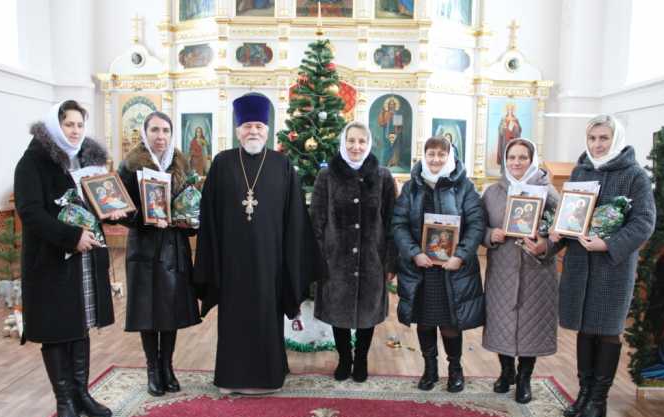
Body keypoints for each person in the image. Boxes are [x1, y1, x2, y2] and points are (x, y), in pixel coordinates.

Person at [194, 94, 320, 394]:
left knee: (266, 317)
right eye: (248, 126)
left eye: (259, 126)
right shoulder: (222, 163)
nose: (253, 131)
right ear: (238, 130)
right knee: (234, 319)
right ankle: (231, 377)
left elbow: (295, 219)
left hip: (270, 262)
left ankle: (269, 377)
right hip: (232, 261)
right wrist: (212, 260)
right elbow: (209, 215)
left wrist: (291, 262)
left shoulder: (282, 165)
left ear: (267, 130)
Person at [14, 100, 126, 417]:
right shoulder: (32, 162)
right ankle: (64, 402)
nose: (75, 131)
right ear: (54, 125)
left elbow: (95, 203)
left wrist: (111, 211)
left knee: (80, 327)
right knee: (56, 331)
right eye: (69, 124)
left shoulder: (86, 160)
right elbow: (30, 212)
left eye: (80, 125)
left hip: (85, 259)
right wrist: (70, 237)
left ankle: (81, 394)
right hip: (51, 262)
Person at [549, 115, 655, 417]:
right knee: (585, 328)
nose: (597, 144)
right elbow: (570, 215)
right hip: (580, 265)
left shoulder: (635, 175)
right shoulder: (581, 171)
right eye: (593, 138)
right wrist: (557, 233)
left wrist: (609, 244)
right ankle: (583, 394)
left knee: (607, 330)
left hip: (613, 268)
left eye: (603, 138)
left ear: (616, 138)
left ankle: (598, 400)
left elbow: (644, 222)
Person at [393, 136, 485, 393]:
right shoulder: (411, 187)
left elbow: (476, 224)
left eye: (441, 154)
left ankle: (455, 369)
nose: (436, 159)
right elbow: (398, 224)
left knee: (450, 322)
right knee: (424, 320)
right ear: (424, 156)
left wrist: (460, 256)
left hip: (453, 269)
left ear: (450, 156)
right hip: (420, 269)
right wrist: (414, 253)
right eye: (431, 154)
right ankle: (430, 369)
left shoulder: (464, 187)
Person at [118, 111, 201, 397]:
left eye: (165, 130)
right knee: (147, 312)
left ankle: (167, 366)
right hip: (144, 247)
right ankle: (152, 369)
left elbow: (189, 203)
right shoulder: (130, 165)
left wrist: (190, 221)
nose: (160, 136)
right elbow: (120, 210)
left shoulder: (182, 163)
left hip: (174, 247)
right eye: (154, 130)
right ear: (145, 133)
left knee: (170, 311)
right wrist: (146, 220)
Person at [311, 121, 397, 383]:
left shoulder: (383, 177)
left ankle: (361, 359)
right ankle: (344, 359)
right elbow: (316, 221)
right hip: (336, 259)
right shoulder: (326, 176)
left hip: (372, 259)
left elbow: (392, 221)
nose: (356, 146)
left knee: (367, 314)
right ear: (343, 142)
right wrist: (318, 259)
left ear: (368, 143)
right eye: (351, 140)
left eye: (361, 141)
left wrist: (390, 260)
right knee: (338, 311)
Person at [481, 138, 559, 404]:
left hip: (537, 271)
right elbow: (478, 227)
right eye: (511, 157)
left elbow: (564, 231)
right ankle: (506, 372)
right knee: (501, 321)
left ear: (532, 160)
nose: (516, 162)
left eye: (522, 157)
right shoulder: (492, 193)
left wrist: (545, 245)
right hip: (502, 268)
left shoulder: (548, 192)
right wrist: (491, 234)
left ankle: (525, 378)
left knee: (531, 324)